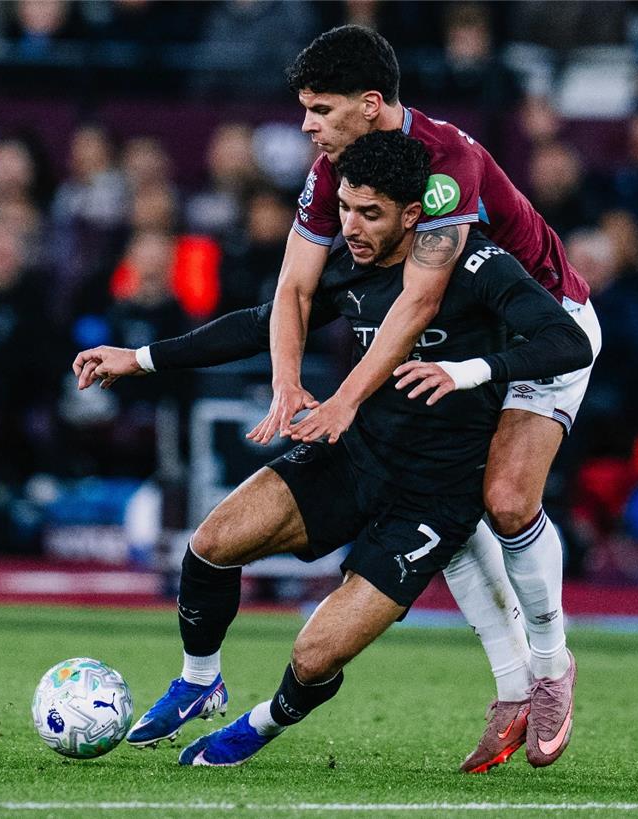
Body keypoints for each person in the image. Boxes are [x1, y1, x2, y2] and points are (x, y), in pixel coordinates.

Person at [71, 131, 593, 768]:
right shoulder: (350, 265)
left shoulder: (477, 264)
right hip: (355, 455)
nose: (351, 226)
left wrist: (469, 371)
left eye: (370, 213)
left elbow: (569, 343)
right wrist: (140, 359)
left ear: (413, 214)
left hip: (432, 498)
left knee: (314, 656)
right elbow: (263, 321)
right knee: (212, 542)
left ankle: (262, 723)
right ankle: (200, 679)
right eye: (345, 207)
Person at [249, 25, 600, 772]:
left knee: (508, 500)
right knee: (439, 491)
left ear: (370, 104)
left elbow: (420, 299)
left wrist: (345, 400)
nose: (307, 126)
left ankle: (550, 666)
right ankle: (511, 688)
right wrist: (286, 379)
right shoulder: (334, 171)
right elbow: (294, 287)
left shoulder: (447, 165)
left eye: (320, 109)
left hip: (538, 328)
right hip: (451, 345)